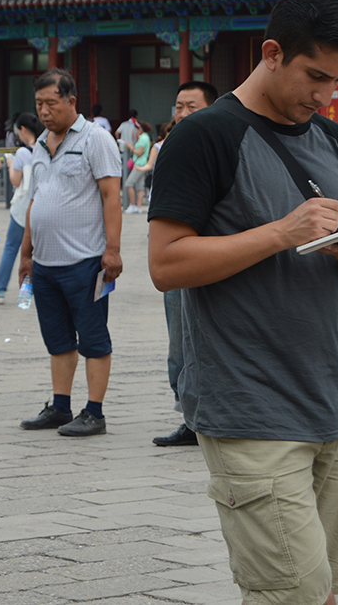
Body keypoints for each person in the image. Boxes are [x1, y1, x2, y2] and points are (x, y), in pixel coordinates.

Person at [147, 0, 338, 605]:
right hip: (250, 405)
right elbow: (165, 264)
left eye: (336, 82)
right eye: (314, 76)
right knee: (291, 594)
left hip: (333, 401)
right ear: (271, 53)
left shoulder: (337, 142)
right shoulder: (204, 136)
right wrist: (282, 232)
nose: (324, 96)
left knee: (329, 588)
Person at [16, 68, 122, 438]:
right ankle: (60, 406)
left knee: (93, 338)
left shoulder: (96, 139)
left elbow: (112, 197)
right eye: (38, 104)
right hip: (45, 263)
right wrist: (26, 254)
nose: (44, 112)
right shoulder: (40, 144)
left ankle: (94, 411)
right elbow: (34, 202)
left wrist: (113, 250)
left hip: (87, 261)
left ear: (71, 101)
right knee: (58, 339)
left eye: (51, 103)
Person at [150, 80, 218, 448]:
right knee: (178, 343)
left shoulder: (223, 149)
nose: (183, 114)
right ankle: (188, 416)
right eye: (179, 107)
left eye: (192, 106)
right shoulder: (169, 150)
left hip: (213, 261)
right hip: (177, 263)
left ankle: (213, 415)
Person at [0, 112, 43, 304]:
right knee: (37, 253)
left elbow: (16, 181)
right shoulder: (45, 149)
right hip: (42, 208)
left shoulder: (23, 153)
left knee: (12, 248)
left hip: (22, 210)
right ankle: (30, 292)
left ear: (23, 130)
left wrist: (10, 165)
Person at [122, 120, 153, 213]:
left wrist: (130, 146)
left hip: (139, 164)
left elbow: (139, 152)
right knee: (140, 186)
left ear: (140, 129)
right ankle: (138, 207)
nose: (136, 131)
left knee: (129, 183)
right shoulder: (145, 137)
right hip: (142, 163)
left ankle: (133, 205)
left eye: (136, 129)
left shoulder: (143, 138)